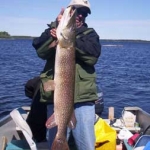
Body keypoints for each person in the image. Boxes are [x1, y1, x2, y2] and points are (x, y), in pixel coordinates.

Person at [32, 0, 101, 149]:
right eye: (75, 11)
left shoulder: (90, 35)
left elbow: (93, 56)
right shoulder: (53, 32)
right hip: (57, 100)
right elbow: (40, 51)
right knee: (56, 140)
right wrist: (54, 31)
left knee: (86, 146)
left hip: (83, 100)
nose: (78, 15)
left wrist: (69, 36)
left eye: (83, 13)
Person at [25, 76, 47, 142]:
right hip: (42, 132)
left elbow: (27, 88)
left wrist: (34, 96)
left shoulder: (37, 80)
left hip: (33, 126)